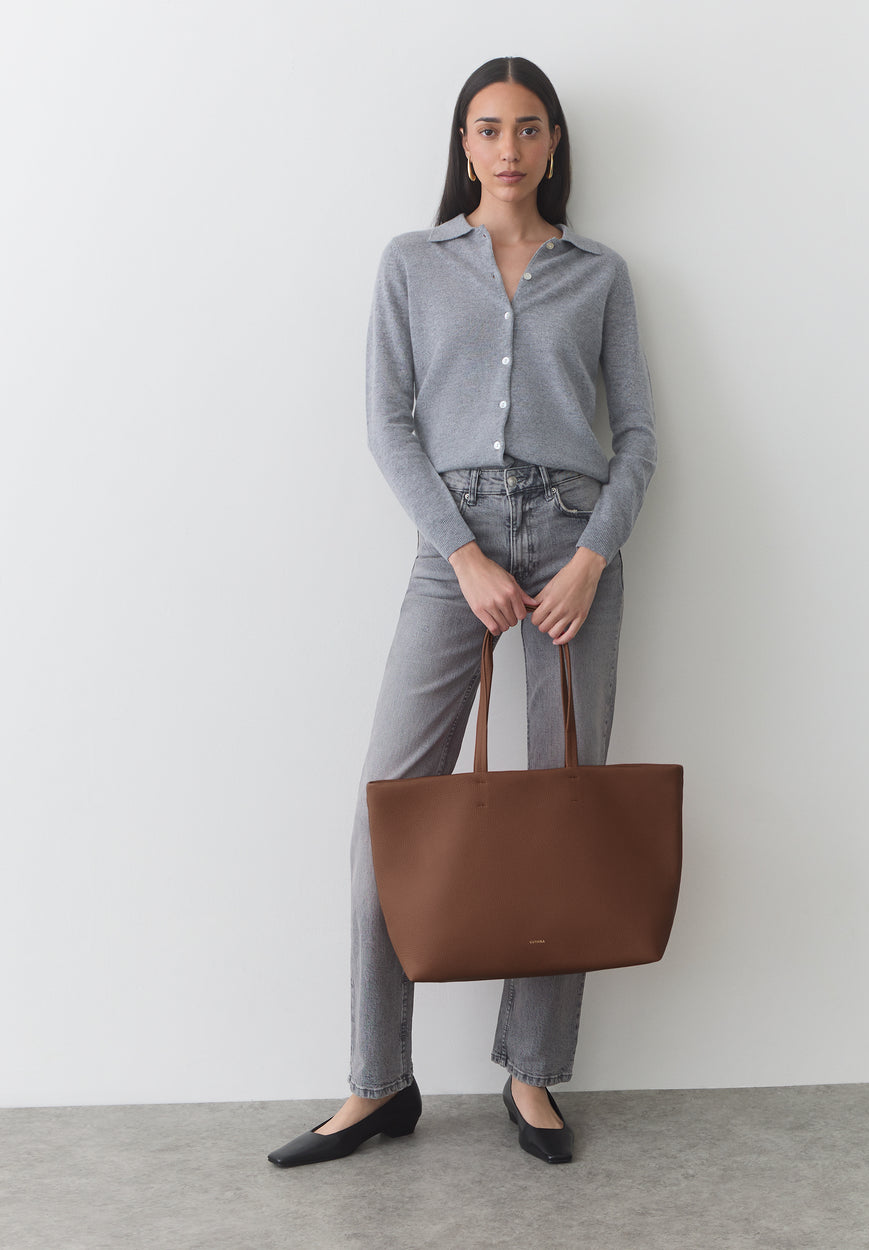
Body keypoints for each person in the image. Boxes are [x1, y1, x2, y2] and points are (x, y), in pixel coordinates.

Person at [268, 55, 656, 1169]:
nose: (507, 149)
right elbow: (389, 420)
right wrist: (462, 552)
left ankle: (530, 1069)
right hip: (458, 550)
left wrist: (589, 555)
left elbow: (636, 432)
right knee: (388, 805)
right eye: (487, 128)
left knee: (559, 806)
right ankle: (377, 1083)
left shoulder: (599, 273)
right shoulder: (412, 262)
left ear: (552, 145)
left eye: (528, 128)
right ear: (463, 141)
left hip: (575, 543)